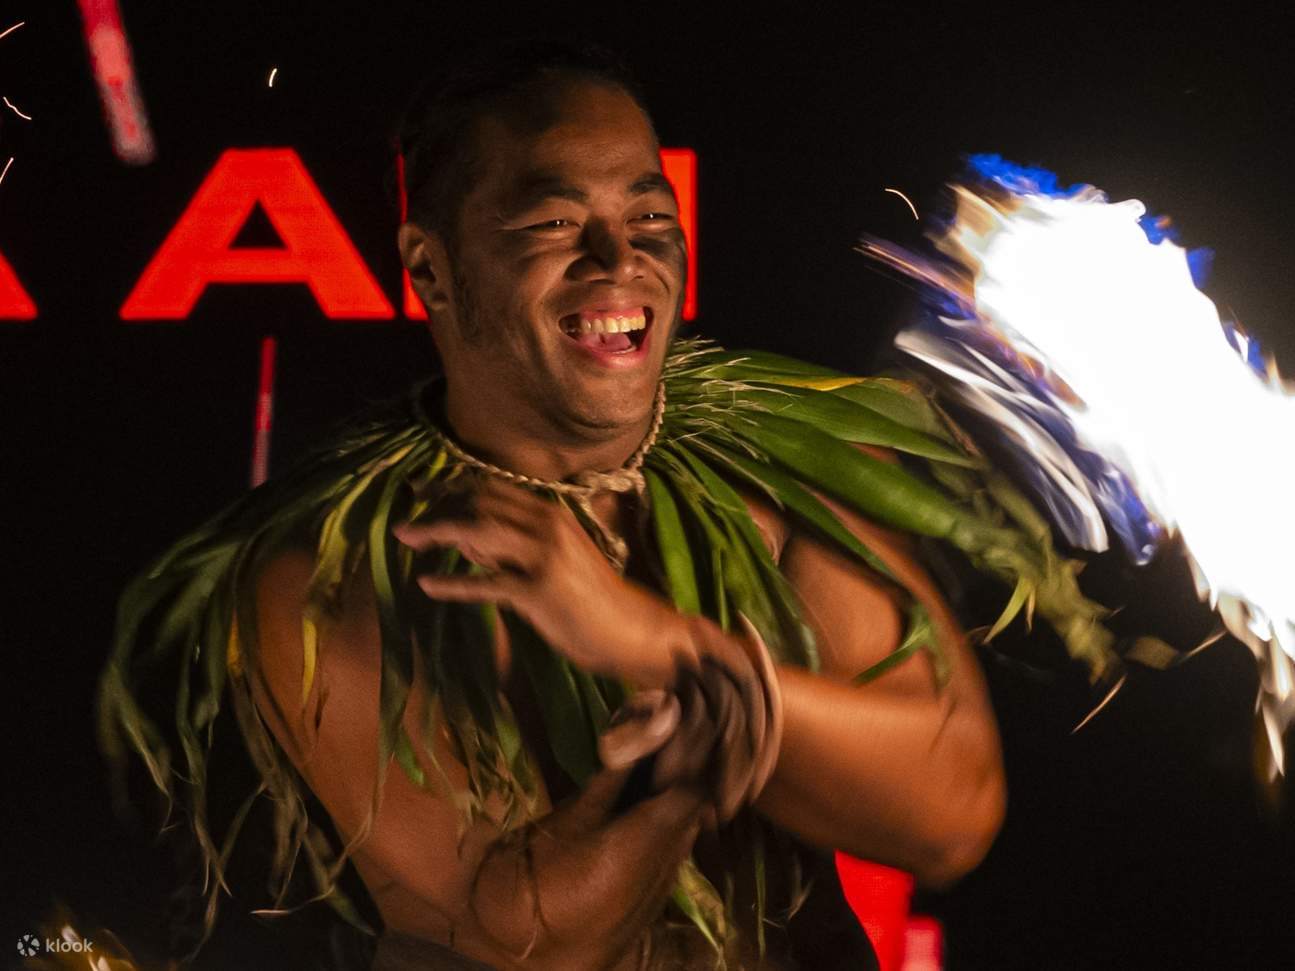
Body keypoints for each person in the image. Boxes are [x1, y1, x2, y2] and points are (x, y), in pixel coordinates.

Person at [99, 39, 1008, 971]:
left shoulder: (779, 477)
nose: (620, 258)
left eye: (648, 215)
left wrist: (645, 640)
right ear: (430, 268)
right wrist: (689, 755)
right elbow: (520, 942)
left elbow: (950, 810)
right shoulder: (332, 571)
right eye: (552, 222)